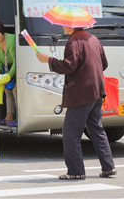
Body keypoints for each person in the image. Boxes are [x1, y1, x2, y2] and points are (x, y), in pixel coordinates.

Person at [35, 11, 116, 180]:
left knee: (70, 132)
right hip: (96, 91)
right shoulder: (93, 39)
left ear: (69, 25)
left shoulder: (73, 41)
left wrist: (48, 60)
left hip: (81, 93)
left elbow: (68, 67)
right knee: (96, 129)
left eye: (63, 24)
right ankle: (108, 167)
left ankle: (76, 171)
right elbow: (105, 64)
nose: (62, 26)